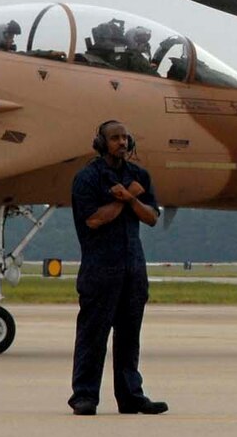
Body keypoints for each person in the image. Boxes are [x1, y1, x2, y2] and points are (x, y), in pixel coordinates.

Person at [68, 119, 168, 415]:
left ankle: (130, 396)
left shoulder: (140, 176)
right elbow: (93, 219)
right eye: (115, 138)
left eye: (125, 138)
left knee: (129, 336)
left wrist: (128, 197)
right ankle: (84, 396)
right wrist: (128, 199)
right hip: (100, 268)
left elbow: (150, 217)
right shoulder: (87, 178)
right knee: (93, 335)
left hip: (133, 268)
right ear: (101, 143)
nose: (121, 143)